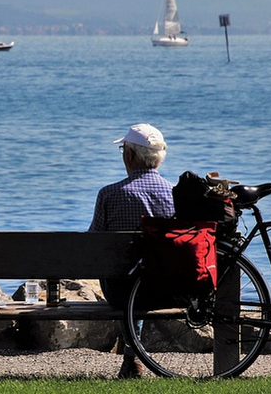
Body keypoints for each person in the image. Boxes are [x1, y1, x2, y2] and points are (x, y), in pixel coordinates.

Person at [89, 123, 174, 379]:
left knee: (126, 277)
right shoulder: (174, 193)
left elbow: (91, 244)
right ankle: (131, 356)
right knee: (145, 272)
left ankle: (132, 356)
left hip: (120, 290)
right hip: (168, 288)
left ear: (129, 155)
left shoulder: (110, 194)